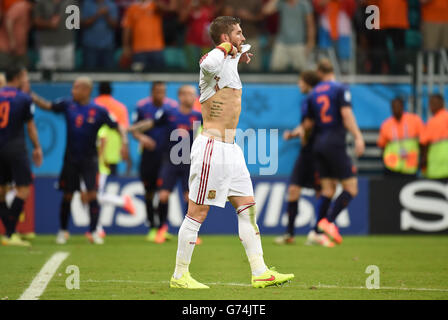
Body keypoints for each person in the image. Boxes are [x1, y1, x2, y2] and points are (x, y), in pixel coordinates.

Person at [169, 16, 294, 289]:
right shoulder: (211, 64)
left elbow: (233, 54)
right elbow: (207, 62)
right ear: (225, 37)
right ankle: (180, 275)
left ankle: (260, 271)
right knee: (197, 213)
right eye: (238, 33)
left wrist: (239, 55)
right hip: (211, 147)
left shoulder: (227, 60)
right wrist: (229, 51)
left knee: (247, 208)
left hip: (231, 149)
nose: (243, 35)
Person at [30, 77, 128, 245]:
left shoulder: (98, 110)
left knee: (92, 195)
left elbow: (117, 126)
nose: (72, 90)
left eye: (75, 87)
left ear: (85, 90)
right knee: (68, 195)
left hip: (89, 160)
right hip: (70, 160)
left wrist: (124, 144)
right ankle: (63, 231)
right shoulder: (68, 105)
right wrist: (29, 94)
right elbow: (46, 105)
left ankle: (93, 231)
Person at [303, 59, 365, 245]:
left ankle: (315, 233)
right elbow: (346, 115)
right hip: (335, 143)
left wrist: (307, 143)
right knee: (351, 188)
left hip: (319, 144)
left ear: (319, 73)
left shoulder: (313, 94)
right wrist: (358, 136)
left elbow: (308, 124)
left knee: (328, 190)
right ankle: (327, 223)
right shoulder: (340, 88)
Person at [130, 85, 202, 244]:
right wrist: (135, 130)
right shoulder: (169, 114)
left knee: (189, 198)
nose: (192, 98)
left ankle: (191, 234)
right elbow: (151, 124)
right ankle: (161, 229)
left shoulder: (198, 116)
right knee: (162, 195)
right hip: (169, 161)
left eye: (193, 95)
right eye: (189, 94)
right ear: (181, 96)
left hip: (188, 162)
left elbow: (207, 134)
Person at [275, 70, 334, 247]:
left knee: (321, 192)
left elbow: (309, 124)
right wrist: (295, 134)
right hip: (306, 152)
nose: (299, 85)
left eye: (301, 81)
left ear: (307, 82)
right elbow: (306, 124)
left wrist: (301, 133)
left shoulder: (312, 99)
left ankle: (318, 232)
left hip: (317, 152)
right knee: (294, 189)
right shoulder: (311, 99)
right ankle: (290, 233)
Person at [0, 66, 43, 246]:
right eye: (25, 76)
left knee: (1, 191)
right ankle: (10, 233)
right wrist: (37, 147)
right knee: (23, 189)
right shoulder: (24, 98)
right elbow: (30, 126)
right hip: (16, 148)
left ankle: (10, 232)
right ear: (17, 77)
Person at [132, 81, 175, 242]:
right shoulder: (142, 107)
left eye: (163, 91)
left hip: (166, 156)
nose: (160, 94)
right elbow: (135, 129)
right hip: (148, 156)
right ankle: (152, 227)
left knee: (164, 192)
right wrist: (142, 138)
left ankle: (163, 228)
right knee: (149, 192)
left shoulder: (171, 107)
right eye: (157, 91)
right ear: (152, 92)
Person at [262, 0, 315, 72]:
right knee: (275, 72)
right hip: (282, 43)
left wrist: (310, 43)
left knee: (302, 72)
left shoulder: (304, 4)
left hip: (299, 44)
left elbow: (310, 25)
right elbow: (266, 11)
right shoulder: (281, 2)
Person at [377, 98, 424, 177]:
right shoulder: (386, 124)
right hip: (391, 166)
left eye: (397, 106)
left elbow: (423, 141)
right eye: (393, 107)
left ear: (402, 107)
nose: (395, 109)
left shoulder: (414, 120)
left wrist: (422, 158)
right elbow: (382, 145)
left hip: (410, 166)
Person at [33, 0, 77, 70]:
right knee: (47, 74)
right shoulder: (41, 2)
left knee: (66, 73)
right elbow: (35, 22)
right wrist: (49, 24)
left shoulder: (72, 1)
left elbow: (76, 22)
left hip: (66, 44)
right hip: (47, 44)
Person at [81, 0, 119, 70]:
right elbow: (83, 24)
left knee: (109, 75)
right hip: (90, 46)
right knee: (89, 74)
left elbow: (115, 25)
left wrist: (106, 15)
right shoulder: (87, 4)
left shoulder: (111, 5)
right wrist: (97, 14)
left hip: (108, 46)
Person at [420, 94, 448, 180]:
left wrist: (423, 161)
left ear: (441, 103)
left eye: (433, 103)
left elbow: (423, 142)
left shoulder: (432, 122)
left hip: (436, 168)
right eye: (430, 104)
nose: (431, 106)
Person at [0, 0, 33, 70]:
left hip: (20, 50)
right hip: (7, 49)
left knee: (23, 72)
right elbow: (8, 20)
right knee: (5, 73)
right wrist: (12, 41)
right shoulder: (21, 6)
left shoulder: (29, 10)